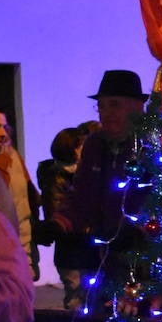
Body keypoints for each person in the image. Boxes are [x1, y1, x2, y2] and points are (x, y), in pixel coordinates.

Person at [45, 70, 150, 305]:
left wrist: (138, 229)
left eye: (114, 105)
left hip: (146, 260)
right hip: (105, 255)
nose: (106, 113)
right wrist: (58, 223)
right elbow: (82, 196)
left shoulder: (153, 145)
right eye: (101, 106)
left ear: (137, 107)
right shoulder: (95, 144)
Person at [37, 127, 89, 310]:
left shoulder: (82, 173)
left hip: (83, 245)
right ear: (73, 148)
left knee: (89, 294)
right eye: (83, 145)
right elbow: (59, 211)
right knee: (76, 295)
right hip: (71, 246)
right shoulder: (57, 177)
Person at [0, 113, 40, 279]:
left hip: (19, 250)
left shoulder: (12, 156)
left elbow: (27, 201)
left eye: (5, 127)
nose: (3, 133)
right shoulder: (1, 160)